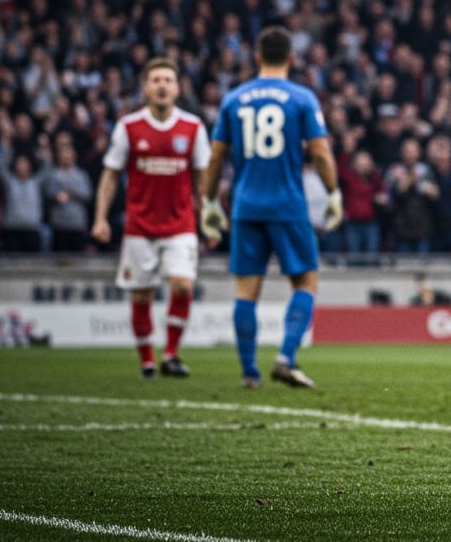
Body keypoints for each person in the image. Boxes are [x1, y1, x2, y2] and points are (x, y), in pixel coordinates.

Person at [200, 27, 343, 389]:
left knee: (246, 289)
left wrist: (208, 200)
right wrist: (333, 192)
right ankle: (286, 357)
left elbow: (215, 156)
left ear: (257, 57)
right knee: (306, 280)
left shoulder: (234, 99)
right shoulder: (302, 98)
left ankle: (250, 372)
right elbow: (320, 152)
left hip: (246, 205)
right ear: (292, 58)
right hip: (287, 205)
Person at [91, 58, 211, 380]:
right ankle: (147, 360)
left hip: (180, 224)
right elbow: (110, 175)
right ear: (145, 87)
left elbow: (204, 178)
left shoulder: (193, 127)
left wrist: (210, 217)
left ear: (177, 88)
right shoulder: (129, 127)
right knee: (141, 294)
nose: (162, 86)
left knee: (182, 286)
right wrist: (101, 218)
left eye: (168, 80)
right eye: (156, 80)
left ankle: (170, 354)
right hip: (140, 227)